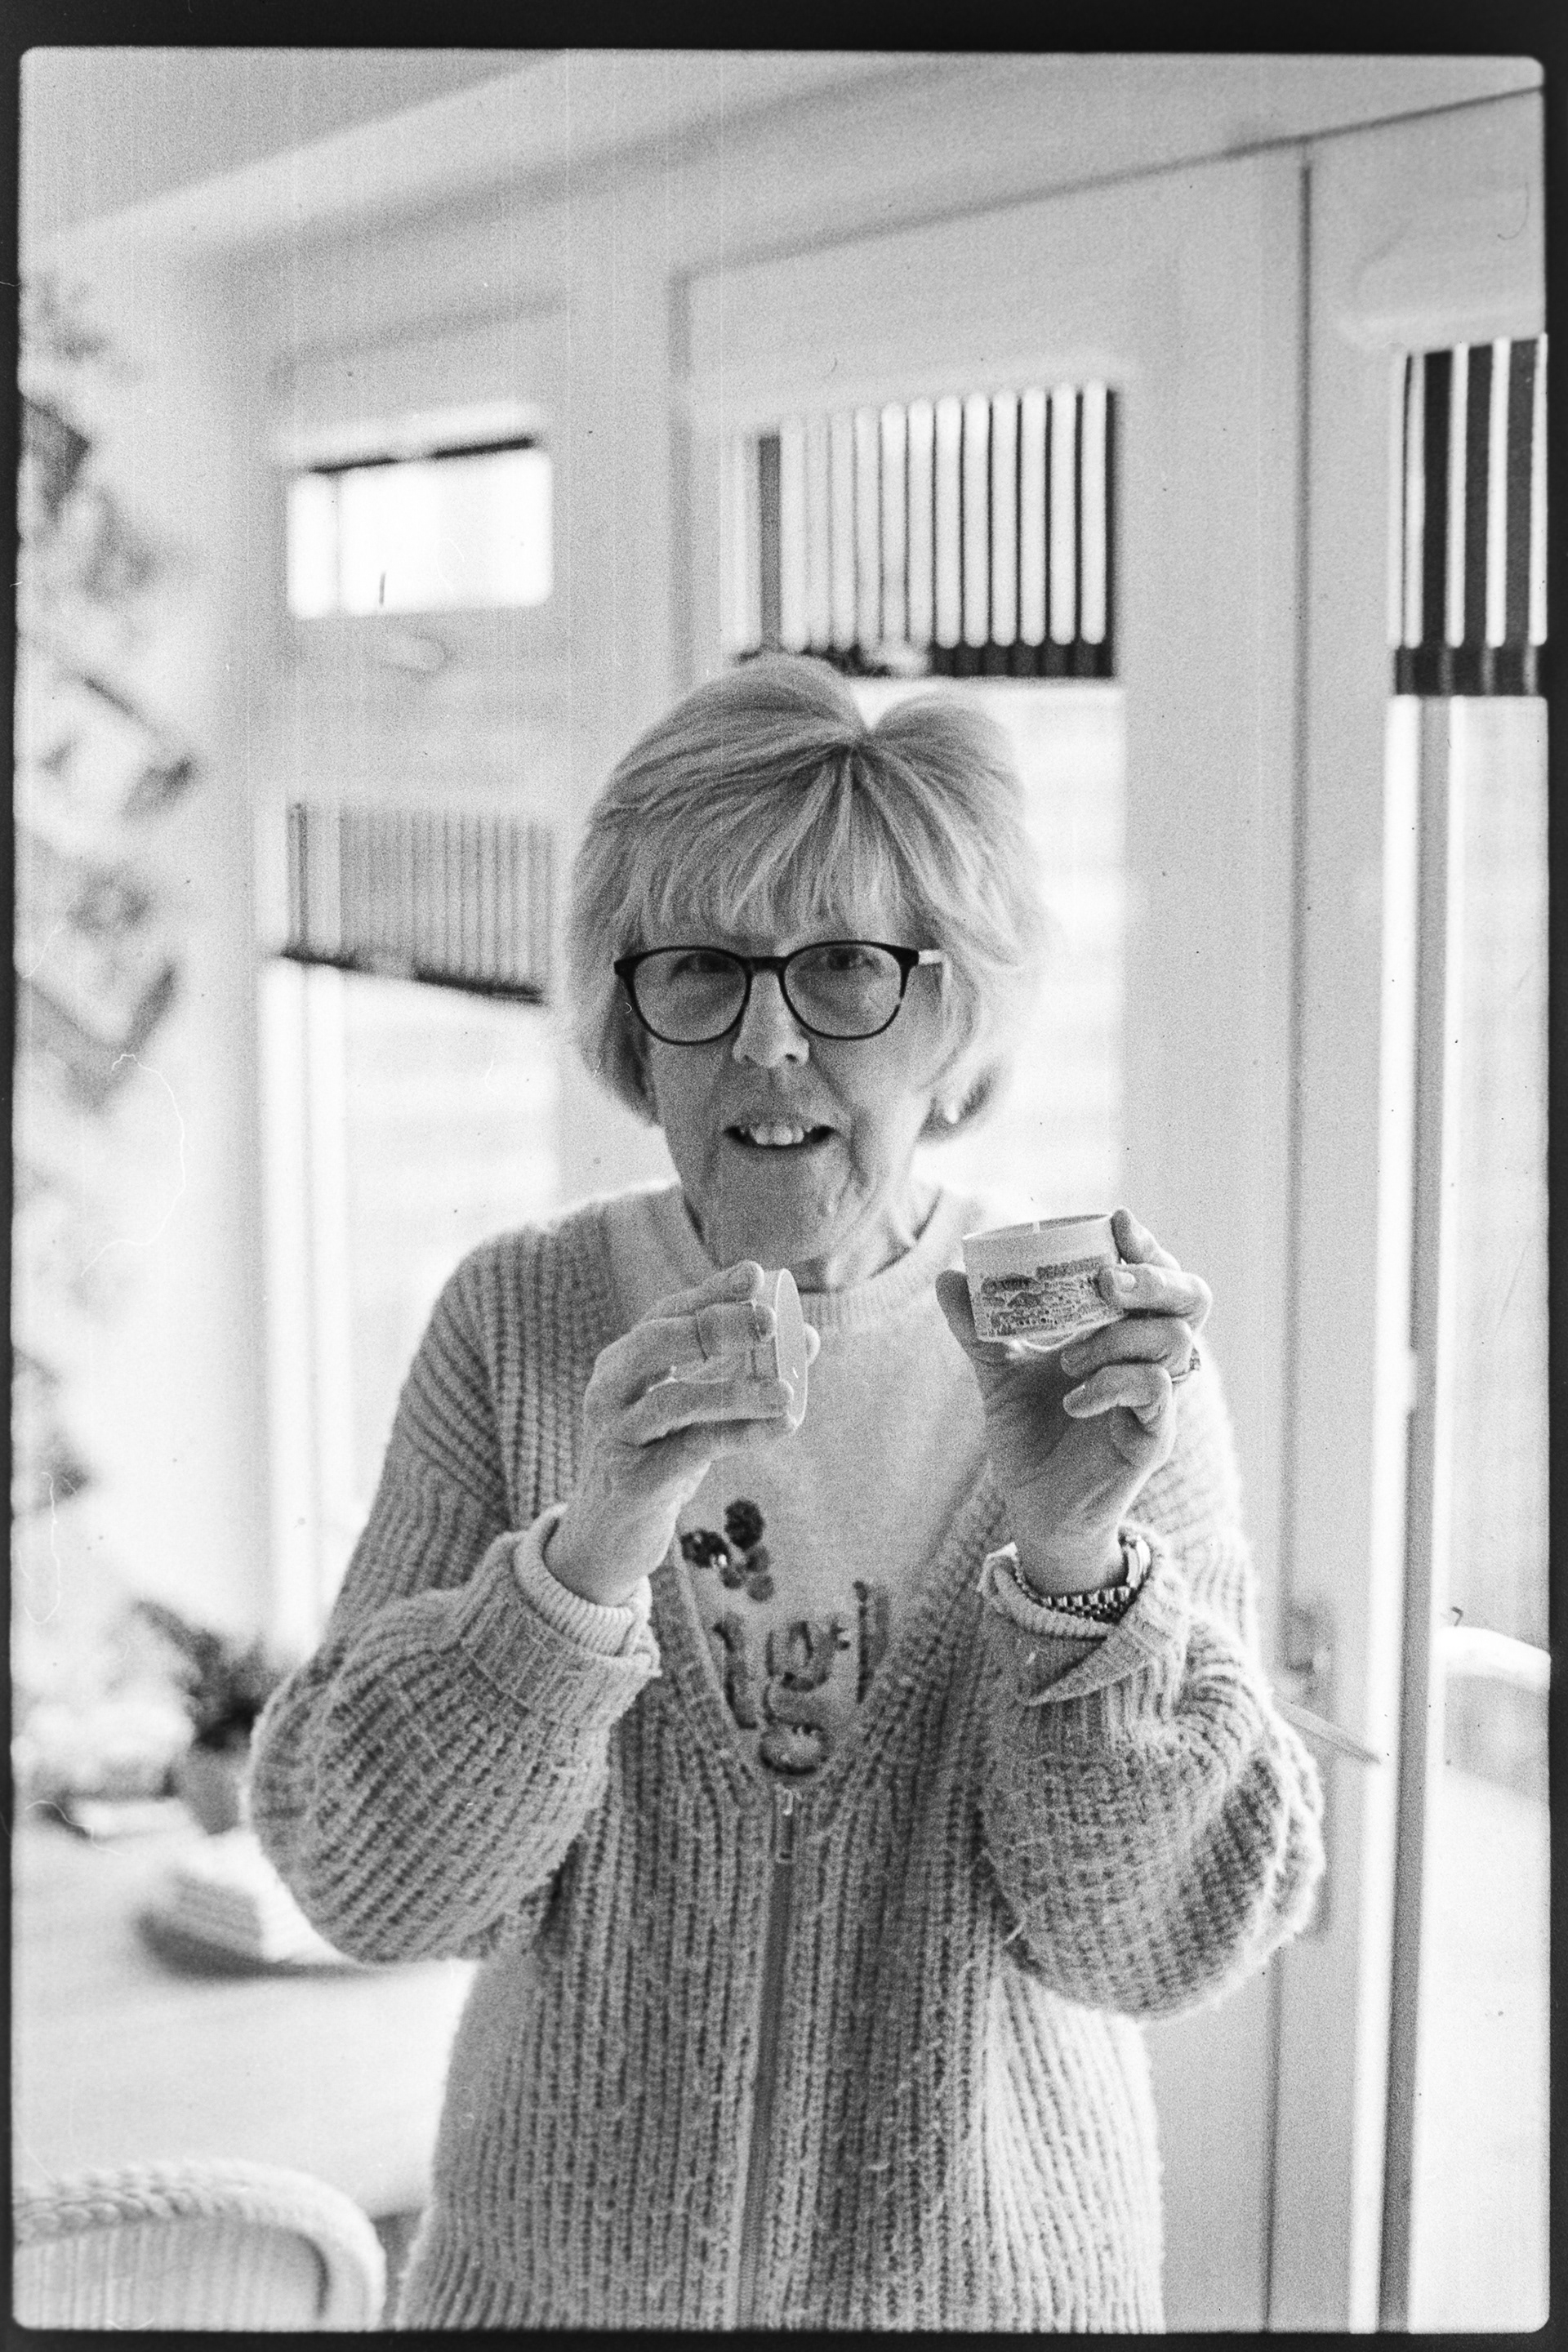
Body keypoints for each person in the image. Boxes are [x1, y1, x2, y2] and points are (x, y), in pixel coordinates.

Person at [250, 654, 1324, 2332]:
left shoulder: (1089, 1372)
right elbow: (373, 1885)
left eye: (843, 969)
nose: (766, 1043)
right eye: (699, 968)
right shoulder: (519, 1322)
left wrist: (1072, 1560)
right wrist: (585, 1560)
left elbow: (1160, 1947)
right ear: (633, 1018)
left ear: (957, 1015)